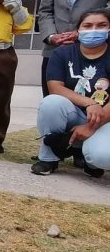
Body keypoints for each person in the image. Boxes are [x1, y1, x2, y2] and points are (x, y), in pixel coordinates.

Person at [31, 9, 110, 178]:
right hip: (74, 113)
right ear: (78, 31)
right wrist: (90, 103)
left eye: (101, 25)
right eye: (88, 26)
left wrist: (90, 126)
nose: (94, 30)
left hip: (105, 118)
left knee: (102, 157)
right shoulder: (62, 53)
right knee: (51, 103)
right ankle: (49, 159)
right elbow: (55, 88)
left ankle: (89, 160)